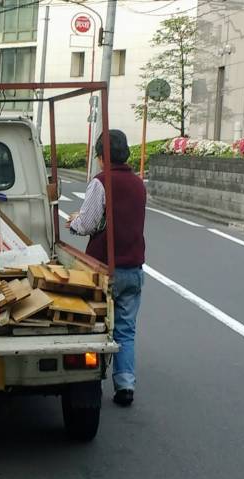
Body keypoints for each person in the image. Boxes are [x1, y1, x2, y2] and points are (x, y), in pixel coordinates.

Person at [66, 130, 146, 407]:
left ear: (101, 157)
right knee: (126, 328)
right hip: (133, 268)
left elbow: (87, 224)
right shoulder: (138, 184)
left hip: (103, 269)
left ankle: (90, 382)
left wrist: (73, 221)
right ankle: (125, 384)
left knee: (94, 325)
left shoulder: (101, 183)